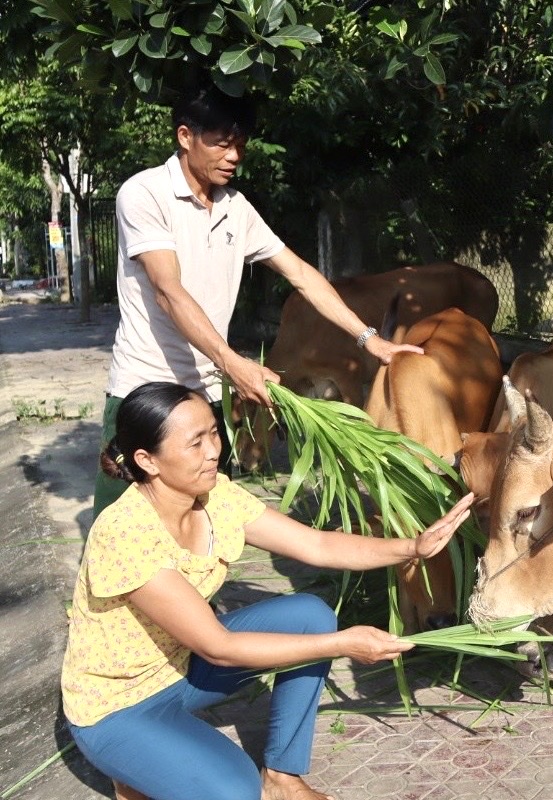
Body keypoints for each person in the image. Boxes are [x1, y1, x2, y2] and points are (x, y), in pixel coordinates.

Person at [63, 382, 475, 800]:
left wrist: (411, 547)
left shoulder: (214, 494)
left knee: (309, 616)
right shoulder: (123, 533)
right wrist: (343, 645)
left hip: (179, 666)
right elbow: (219, 647)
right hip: (119, 706)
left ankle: (281, 775)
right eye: (195, 442)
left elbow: (315, 544)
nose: (213, 451)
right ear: (147, 461)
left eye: (214, 433)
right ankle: (132, 773)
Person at [95, 83, 422, 516]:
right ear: (185, 136)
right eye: (223, 144)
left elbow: (301, 275)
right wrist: (235, 364)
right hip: (144, 389)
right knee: (123, 533)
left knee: (200, 528)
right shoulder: (144, 193)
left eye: (241, 146)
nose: (234, 157)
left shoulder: (236, 207)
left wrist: (370, 339)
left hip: (205, 395)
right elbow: (168, 292)